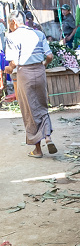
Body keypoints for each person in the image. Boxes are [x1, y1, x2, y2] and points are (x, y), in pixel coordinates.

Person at [4, 12, 57, 158]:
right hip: (39, 72)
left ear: (13, 22)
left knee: (29, 110)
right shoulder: (39, 34)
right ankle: (47, 136)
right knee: (42, 106)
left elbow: (13, 63)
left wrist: (7, 69)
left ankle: (38, 150)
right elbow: (50, 56)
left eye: (9, 24)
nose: (9, 27)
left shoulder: (12, 37)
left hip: (24, 74)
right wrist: (43, 65)